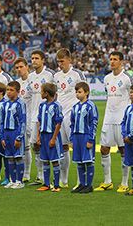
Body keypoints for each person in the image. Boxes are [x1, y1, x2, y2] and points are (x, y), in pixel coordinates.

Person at [95, 51, 133, 192]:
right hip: (108, 118)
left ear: (121, 62)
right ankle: (107, 181)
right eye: (110, 59)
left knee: (123, 149)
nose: (112, 62)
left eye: (115, 59)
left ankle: (124, 183)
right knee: (104, 148)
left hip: (122, 120)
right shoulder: (106, 78)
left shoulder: (127, 78)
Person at [54, 48, 86, 188]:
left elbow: (85, 93)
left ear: (69, 60)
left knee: (77, 147)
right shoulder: (56, 76)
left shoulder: (77, 74)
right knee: (63, 147)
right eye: (58, 61)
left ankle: (80, 181)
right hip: (61, 116)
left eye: (62, 61)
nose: (60, 64)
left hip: (73, 116)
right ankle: (64, 180)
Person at [27, 50, 55, 185]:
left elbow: (56, 94)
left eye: (36, 58)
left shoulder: (50, 75)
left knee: (49, 146)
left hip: (47, 116)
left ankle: (55, 176)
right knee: (35, 146)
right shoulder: (30, 76)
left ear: (43, 60)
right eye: (32, 58)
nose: (34, 61)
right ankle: (40, 176)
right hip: (34, 115)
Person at [70, 82, 98, 194]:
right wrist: (71, 138)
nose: (77, 94)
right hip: (77, 137)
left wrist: (91, 139)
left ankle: (89, 185)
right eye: (76, 92)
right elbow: (72, 123)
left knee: (88, 161)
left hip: (86, 136)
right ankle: (82, 184)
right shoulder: (75, 107)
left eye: (80, 92)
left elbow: (94, 122)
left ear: (86, 92)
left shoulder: (91, 106)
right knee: (79, 161)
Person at [36, 83, 64, 192]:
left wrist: (53, 138)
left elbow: (58, 123)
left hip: (52, 136)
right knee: (45, 160)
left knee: (55, 160)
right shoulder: (42, 106)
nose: (41, 93)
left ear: (46, 93)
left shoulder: (56, 106)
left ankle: (56, 185)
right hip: (43, 136)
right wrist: (38, 136)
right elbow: (39, 121)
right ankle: (46, 184)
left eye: (42, 91)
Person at [1, 81, 26, 189]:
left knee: (18, 157)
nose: (9, 92)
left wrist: (19, 137)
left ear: (18, 91)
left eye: (11, 90)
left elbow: (23, 121)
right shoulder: (5, 104)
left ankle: (20, 181)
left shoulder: (20, 104)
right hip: (6, 134)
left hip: (15, 133)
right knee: (10, 158)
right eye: (7, 90)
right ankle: (12, 180)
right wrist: (2, 137)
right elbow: (2, 121)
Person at [14, 57, 32, 182]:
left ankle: (40, 175)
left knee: (36, 147)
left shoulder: (33, 80)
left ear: (27, 67)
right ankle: (26, 174)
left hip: (33, 118)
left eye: (21, 67)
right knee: (24, 147)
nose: (19, 69)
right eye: (17, 68)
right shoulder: (16, 83)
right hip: (21, 120)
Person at [121, 83, 133, 196]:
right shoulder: (128, 108)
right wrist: (124, 135)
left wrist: (131, 136)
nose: (131, 95)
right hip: (128, 140)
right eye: (130, 92)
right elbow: (123, 122)